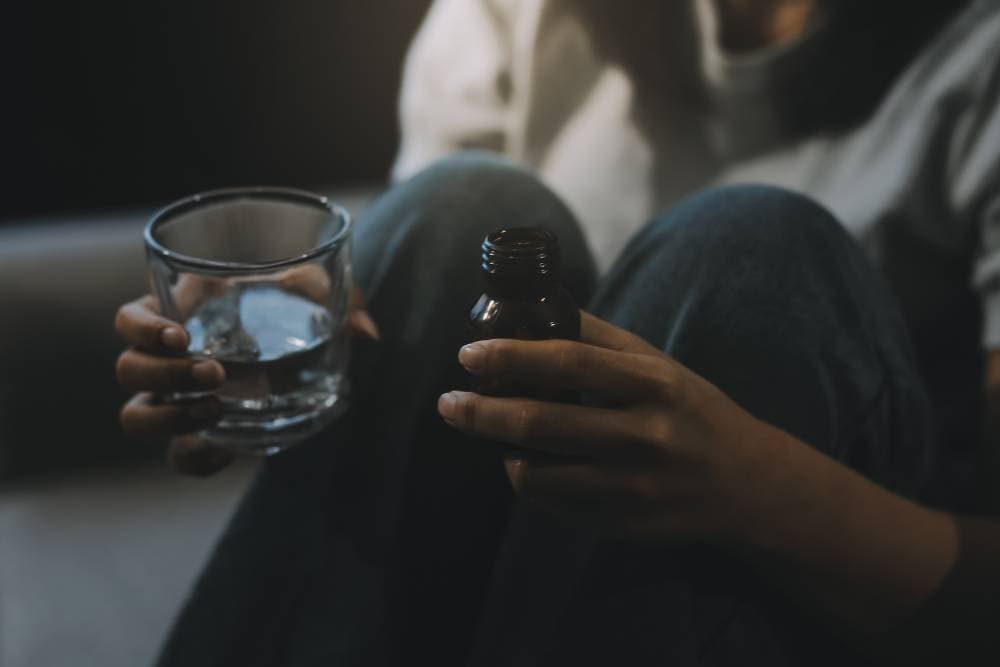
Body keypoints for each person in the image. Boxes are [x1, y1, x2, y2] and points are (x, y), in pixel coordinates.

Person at [113, 0, 1000, 664]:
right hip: (495, 582)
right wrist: (271, 352)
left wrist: (755, 484)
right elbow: (416, 320)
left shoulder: (973, 59)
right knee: (460, 206)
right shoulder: (522, 14)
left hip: (827, 577)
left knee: (747, 252)